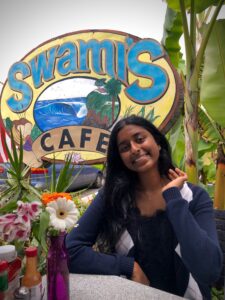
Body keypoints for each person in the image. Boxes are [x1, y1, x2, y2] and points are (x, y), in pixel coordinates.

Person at [65, 115, 223, 300]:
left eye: (140, 139)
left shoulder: (194, 197)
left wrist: (174, 199)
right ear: (120, 158)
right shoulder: (113, 197)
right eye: (124, 147)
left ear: (157, 142)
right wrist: (127, 266)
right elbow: (69, 250)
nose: (134, 149)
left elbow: (209, 270)